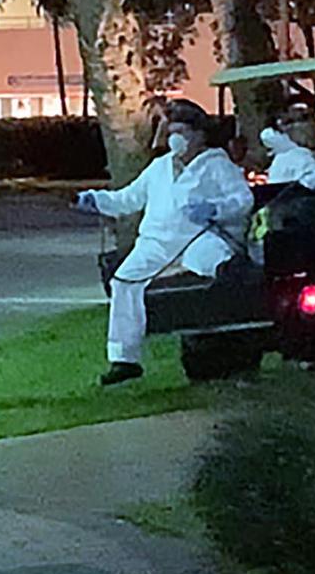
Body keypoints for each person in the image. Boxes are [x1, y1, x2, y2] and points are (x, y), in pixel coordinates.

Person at [74, 99, 253, 386]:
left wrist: (215, 209)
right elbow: (127, 199)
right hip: (156, 243)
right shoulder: (159, 168)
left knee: (218, 263)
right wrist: (96, 199)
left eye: (181, 130)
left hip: (198, 237)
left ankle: (227, 333)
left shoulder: (217, 166)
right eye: (172, 130)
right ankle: (124, 359)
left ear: (199, 134)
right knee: (124, 282)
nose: (175, 137)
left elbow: (243, 200)